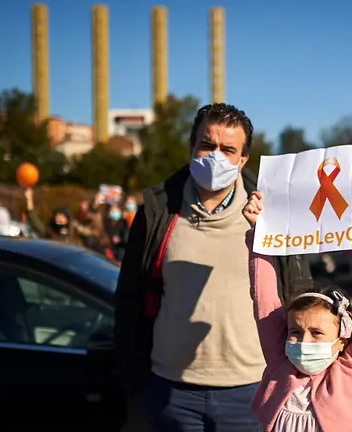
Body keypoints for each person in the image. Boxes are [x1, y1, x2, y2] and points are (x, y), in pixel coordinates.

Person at [115, 103, 312, 431]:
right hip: (171, 392)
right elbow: (129, 300)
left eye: (228, 149)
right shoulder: (158, 212)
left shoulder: (272, 217)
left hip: (252, 391)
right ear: (192, 148)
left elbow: (300, 295)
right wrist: (137, 383)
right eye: (207, 145)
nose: (215, 156)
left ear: (243, 159)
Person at [242, 188, 352, 431]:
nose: (304, 341)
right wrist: (258, 233)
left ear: (340, 340)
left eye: (317, 333)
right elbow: (263, 297)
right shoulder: (279, 362)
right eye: (295, 331)